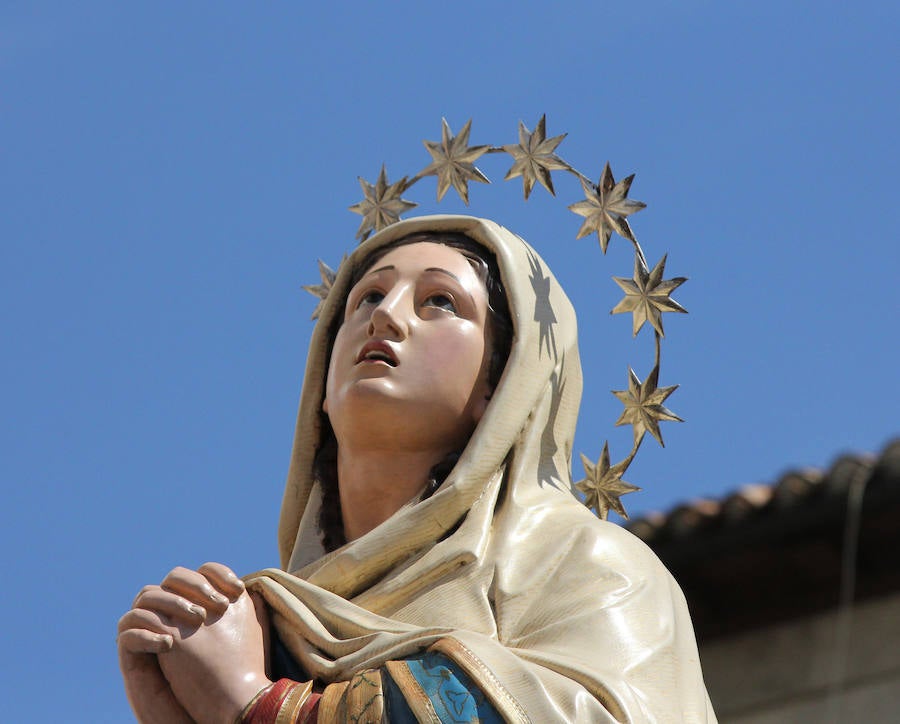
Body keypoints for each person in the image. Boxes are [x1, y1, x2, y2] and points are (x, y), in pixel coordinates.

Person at [118, 215, 716, 722]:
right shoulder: (257, 626)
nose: (386, 317)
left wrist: (260, 703)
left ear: (502, 385)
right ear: (320, 386)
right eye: (367, 298)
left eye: (439, 301)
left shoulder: (587, 565)